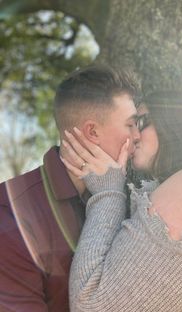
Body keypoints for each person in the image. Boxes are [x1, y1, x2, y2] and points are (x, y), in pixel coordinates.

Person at [62, 91, 182, 311]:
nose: (133, 136)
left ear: (176, 124)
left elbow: (92, 305)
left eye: (141, 122)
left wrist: (108, 192)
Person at [0, 65, 141, 312]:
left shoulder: (137, 195)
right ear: (92, 132)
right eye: (131, 125)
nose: (138, 136)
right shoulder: (9, 213)